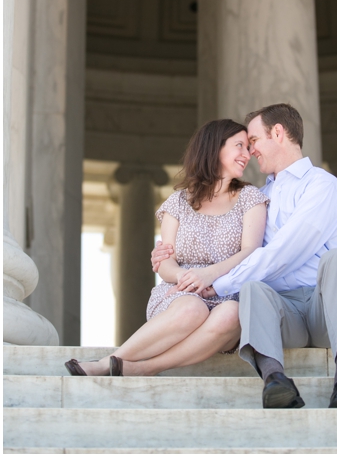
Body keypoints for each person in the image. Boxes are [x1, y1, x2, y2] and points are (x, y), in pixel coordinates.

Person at [152, 103, 337, 410]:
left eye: (253, 140)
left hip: (324, 311)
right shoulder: (257, 197)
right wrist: (166, 255)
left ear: (277, 133)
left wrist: (219, 281)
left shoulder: (322, 185)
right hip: (283, 314)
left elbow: (285, 252)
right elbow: (240, 250)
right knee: (252, 289)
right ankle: (276, 381)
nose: (250, 151)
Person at [65, 119, 268, 377]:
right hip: (182, 293)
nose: (247, 154)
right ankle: (108, 362)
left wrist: (209, 275)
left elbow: (251, 251)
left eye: (248, 147)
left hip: (229, 290)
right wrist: (185, 277)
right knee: (191, 308)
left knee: (233, 314)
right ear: (215, 147)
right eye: (239, 145)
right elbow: (165, 261)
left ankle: (144, 368)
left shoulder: (251, 197)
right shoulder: (178, 202)